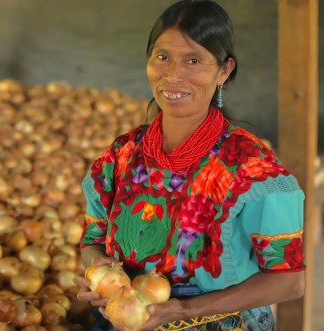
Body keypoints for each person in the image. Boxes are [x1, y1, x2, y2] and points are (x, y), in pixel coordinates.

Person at [75, 1, 306, 330]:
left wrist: (183, 309)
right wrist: (102, 277)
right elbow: (92, 240)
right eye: (162, 57)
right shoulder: (122, 154)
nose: (172, 75)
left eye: (193, 60)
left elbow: (289, 281)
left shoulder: (251, 167)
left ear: (224, 71)